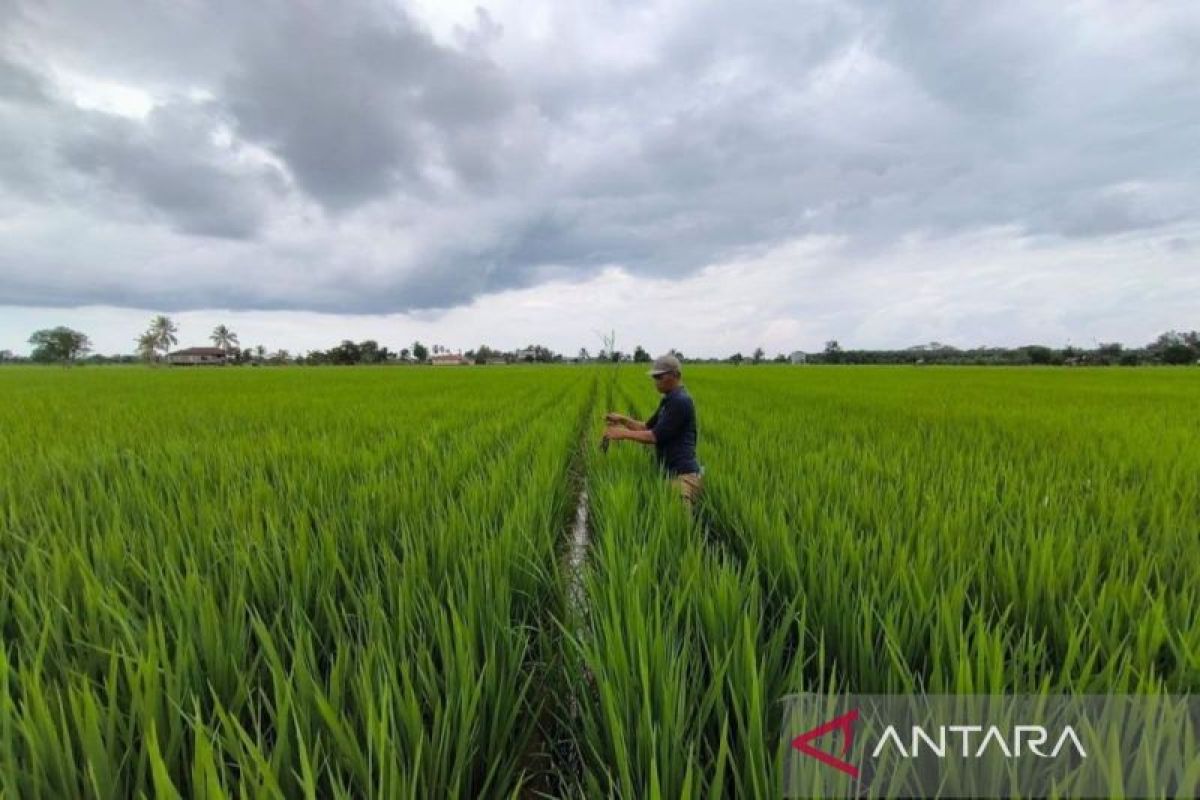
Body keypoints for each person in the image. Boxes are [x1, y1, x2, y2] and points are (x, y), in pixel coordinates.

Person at [603, 353, 703, 508]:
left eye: (659, 377)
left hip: (684, 478)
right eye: (654, 377)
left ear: (675, 375)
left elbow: (654, 436)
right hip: (672, 475)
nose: (655, 382)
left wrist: (622, 433)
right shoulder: (668, 400)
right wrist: (623, 419)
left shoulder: (681, 401)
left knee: (680, 530)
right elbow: (646, 427)